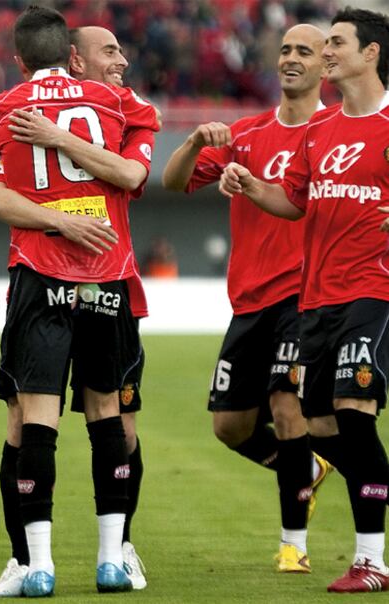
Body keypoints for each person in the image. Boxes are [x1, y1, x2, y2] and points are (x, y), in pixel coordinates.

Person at [0, 5, 159, 597]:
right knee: (106, 417)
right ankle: (104, 558)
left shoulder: (6, 106)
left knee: (39, 421)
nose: (121, 63)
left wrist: (52, 142)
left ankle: (43, 564)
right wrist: (73, 213)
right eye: (110, 53)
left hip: (41, 273)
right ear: (74, 55)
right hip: (104, 272)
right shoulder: (120, 106)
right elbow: (129, 174)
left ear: (17, 57)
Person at [219, 6, 389, 594]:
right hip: (317, 298)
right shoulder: (321, 132)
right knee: (319, 425)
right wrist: (248, 185)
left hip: (374, 292)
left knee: (354, 417)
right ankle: (372, 493)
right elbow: (293, 202)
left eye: (337, 43)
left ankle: (373, 560)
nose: (327, 52)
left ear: (370, 53)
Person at [162, 23, 332, 572]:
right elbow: (172, 182)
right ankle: (304, 468)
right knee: (230, 428)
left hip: (304, 297)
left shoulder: (334, 135)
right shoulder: (247, 133)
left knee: (287, 406)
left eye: (304, 51)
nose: (291, 59)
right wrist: (192, 142)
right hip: (249, 301)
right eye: (285, 49)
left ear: (325, 67)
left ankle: (293, 547)